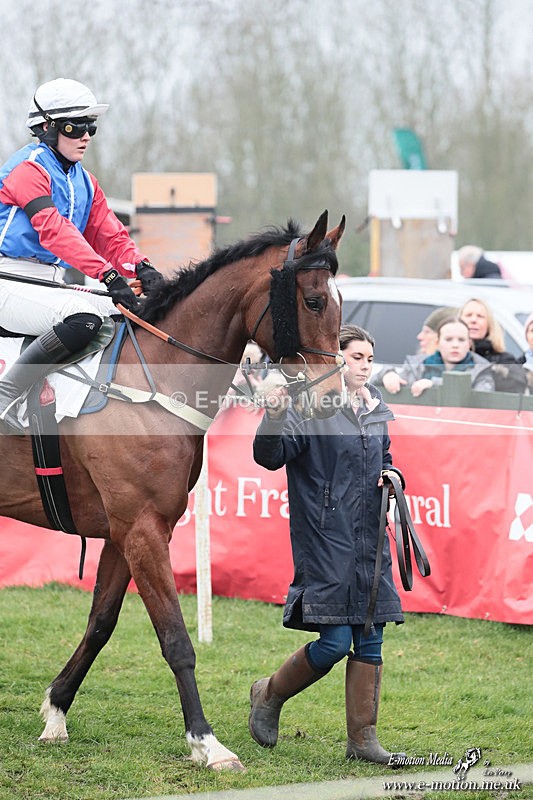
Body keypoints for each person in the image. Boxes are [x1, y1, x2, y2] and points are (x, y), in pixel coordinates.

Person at [249, 324, 406, 765]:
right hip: (325, 541)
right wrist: (275, 414)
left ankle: (362, 741)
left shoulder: (376, 408)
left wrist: (393, 477)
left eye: (370, 359)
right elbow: (269, 455)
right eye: (357, 357)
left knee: (370, 641)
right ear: (334, 360)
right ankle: (268, 693)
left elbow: (385, 457)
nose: (365, 366)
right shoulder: (309, 407)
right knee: (335, 643)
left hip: (370, 540)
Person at [0, 78, 164, 432]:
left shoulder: (85, 180)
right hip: (8, 281)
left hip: (49, 284)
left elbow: (110, 234)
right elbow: (54, 230)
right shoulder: (26, 169)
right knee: (84, 318)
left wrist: (141, 266)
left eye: (92, 127)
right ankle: (6, 395)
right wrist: (107, 275)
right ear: (46, 128)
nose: (86, 136)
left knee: (133, 312)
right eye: (76, 127)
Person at [382, 318, 495, 397]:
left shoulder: (482, 370)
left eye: (461, 340)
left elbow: (481, 399)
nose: (455, 345)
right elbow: (374, 385)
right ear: (437, 342)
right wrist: (387, 375)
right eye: (448, 339)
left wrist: (434, 384)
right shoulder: (417, 365)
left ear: (469, 344)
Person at [373, 306, 457, 389]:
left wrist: (433, 384)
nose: (419, 337)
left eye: (427, 332)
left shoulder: (465, 367)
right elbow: (371, 386)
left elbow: (461, 385)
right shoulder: (415, 366)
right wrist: (387, 374)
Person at [459, 298, 527, 393]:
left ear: (489, 324)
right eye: (468, 315)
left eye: (480, 316)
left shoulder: (506, 362)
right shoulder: (446, 358)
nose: (473, 320)